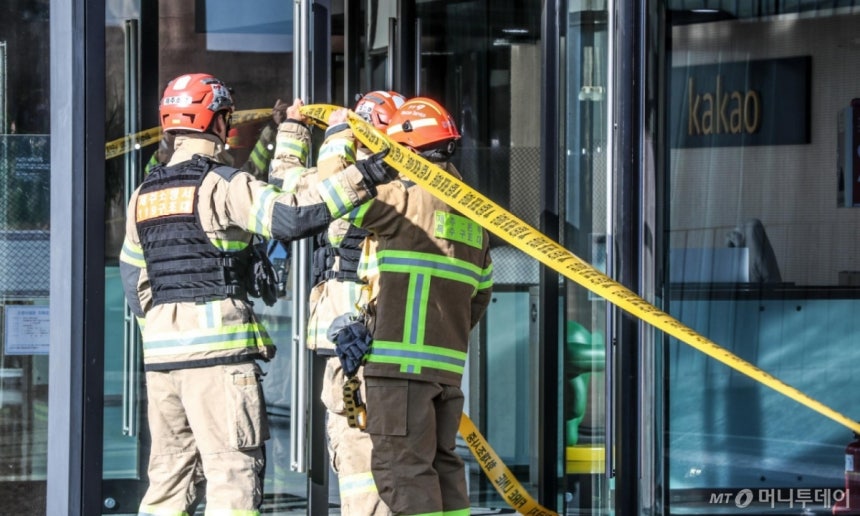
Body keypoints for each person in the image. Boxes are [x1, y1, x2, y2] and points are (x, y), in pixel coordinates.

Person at [118, 72, 396, 516]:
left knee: (168, 483)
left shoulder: (142, 195)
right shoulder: (220, 183)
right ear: (219, 121)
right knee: (233, 481)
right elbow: (290, 217)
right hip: (218, 362)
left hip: (161, 365)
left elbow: (133, 281)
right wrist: (363, 176)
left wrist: (165, 329)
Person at [340, 97, 494, 515]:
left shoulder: (404, 199)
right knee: (444, 469)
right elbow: (480, 295)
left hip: (399, 373)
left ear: (407, 150)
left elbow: (339, 195)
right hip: (445, 372)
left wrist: (338, 139)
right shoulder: (474, 216)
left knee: (404, 474)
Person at [269, 90, 406, 515]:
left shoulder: (372, 194)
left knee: (362, 460)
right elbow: (289, 187)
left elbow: (293, 186)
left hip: (360, 347)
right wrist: (292, 129)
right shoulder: (389, 186)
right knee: (361, 457)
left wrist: (307, 134)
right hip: (350, 344)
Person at [145, 98, 289, 179]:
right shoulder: (223, 181)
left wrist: (271, 129)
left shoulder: (230, 179)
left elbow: (254, 167)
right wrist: (166, 146)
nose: (234, 155)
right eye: (230, 151)